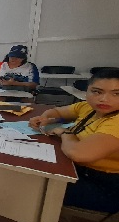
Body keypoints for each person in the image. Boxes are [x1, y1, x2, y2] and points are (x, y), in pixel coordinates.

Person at [28, 68, 119, 213]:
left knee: (32, 180)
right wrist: (45, 117)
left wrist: (65, 132)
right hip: (77, 168)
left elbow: (78, 153)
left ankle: (42, 221)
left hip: (105, 185)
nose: (104, 99)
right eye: (97, 91)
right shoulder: (88, 108)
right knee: (31, 165)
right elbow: (57, 111)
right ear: (87, 91)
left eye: (116, 94)